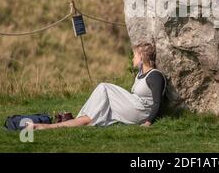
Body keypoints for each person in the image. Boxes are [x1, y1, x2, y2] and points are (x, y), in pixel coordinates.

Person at [28, 42, 166, 130]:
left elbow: (157, 103)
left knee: (104, 87)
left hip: (141, 112)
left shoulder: (155, 76)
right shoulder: (140, 74)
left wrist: (148, 122)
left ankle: (73, 120)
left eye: (135, 56)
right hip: (134, 107)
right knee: (99, 108)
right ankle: (63, 123)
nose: (132, 59)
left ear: (142, 57)